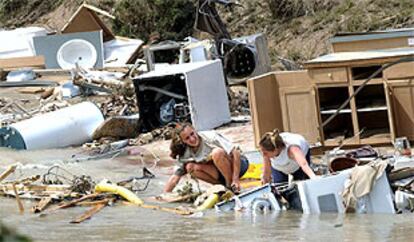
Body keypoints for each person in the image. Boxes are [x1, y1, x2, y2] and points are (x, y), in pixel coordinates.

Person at [163, 123, 249, 193]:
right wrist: (164, 196)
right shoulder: (185, 153)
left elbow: (235, 152)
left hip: (239, 165)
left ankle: (230, 185)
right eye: (187, 138)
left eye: (192, 134)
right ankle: (221, 187)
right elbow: (175, 178)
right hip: (219, 171)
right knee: (190, 167)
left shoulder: (210, 137)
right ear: (183, 141)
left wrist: (235, 179)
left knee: (217, 153)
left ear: (195, 131)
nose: (192, 139)